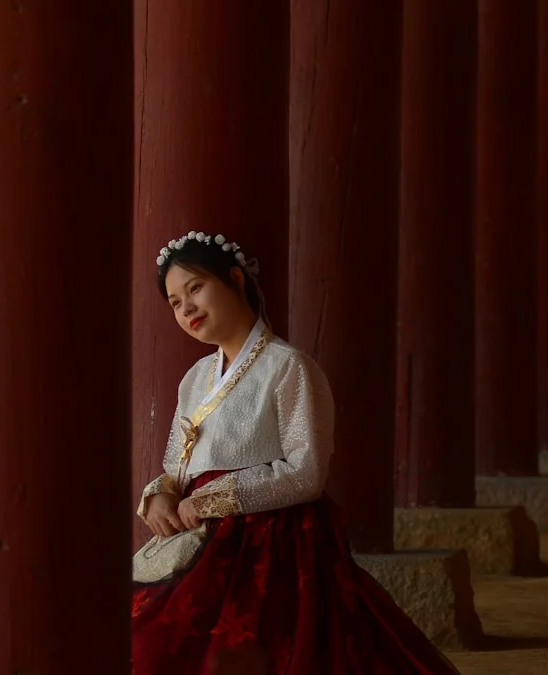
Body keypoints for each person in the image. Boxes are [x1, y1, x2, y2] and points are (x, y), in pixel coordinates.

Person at [131, 231, 460, 674]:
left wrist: (209, 500)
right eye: (174, 301)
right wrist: (161, 495)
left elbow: (306, 472)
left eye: (195, 288)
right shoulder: (194, 378)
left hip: (270, 541)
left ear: (235, 279)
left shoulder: (288, 367)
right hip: (197, 533)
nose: (186, 307)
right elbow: (177, 460)